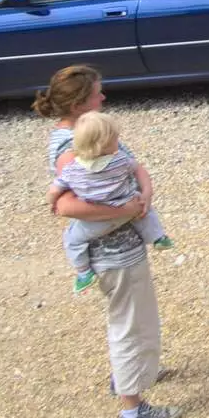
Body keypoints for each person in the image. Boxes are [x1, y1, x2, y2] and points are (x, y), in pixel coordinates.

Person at [34, 65, 184, 418]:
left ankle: (134, 373)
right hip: (113, 254)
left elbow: (130, 168)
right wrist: (127, 209)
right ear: (77, 103)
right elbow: (64, 206)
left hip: (125, 247)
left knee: (136, 318)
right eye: (96, 94)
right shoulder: (70, 147)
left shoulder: (89, 132)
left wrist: (143, 195)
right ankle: (132, 408)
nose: (103, 98)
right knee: (128, 324)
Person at [49, 110, 175, 295]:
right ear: (108, 143)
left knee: (72, 240)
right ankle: (157, 237)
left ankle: (84, 273)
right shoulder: (121, 161)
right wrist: (146, 193)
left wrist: (51, 202)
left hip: (97, 223)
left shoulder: (73, 170)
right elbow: (138, 169)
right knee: (146, 213)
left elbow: (54, 190)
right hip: (130, 211)